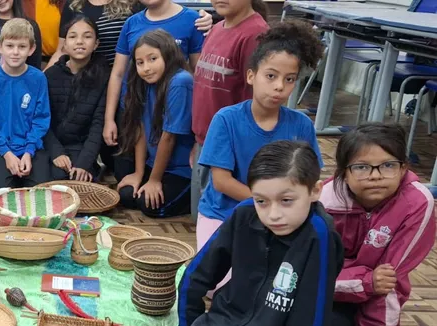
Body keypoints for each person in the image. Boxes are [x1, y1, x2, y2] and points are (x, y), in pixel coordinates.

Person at [138, 140, 344, 326]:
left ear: (314, 191)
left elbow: (308, 321)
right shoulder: (245, 213)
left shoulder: (319, 237)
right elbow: (198, 274)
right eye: (262, 200)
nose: (273, 214)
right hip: (221, 325)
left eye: (286, 201)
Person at [196, 20, 324, 254]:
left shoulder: (301, 125)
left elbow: (309, 176)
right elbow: (221, 182)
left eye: (289, 79)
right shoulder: (226, 120)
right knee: (220, 286)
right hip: (224, 214)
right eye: (271, 76)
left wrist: (281, 210)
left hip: (282, 216)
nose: (279, 87)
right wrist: (269, 203)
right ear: (251, 76)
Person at [321, 124, 436, 326]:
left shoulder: (416, 204)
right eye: (362, 167)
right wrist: (365, 280)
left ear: (404, 168)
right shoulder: (323, 201)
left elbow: (388, 281)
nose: (376, 176)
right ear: (343, 172)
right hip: (318, 289)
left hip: (364, 291)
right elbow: (306, 271)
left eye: (388, 165)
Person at [103, 0, 206, 148]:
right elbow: (118, 73)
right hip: (133, 113)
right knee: (127, 168)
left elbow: (198, 74)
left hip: (170, 115)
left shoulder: (193, 20)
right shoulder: (131, 23)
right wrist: (109, 119)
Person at [114, 30, 194, 218]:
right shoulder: (144, 82)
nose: (146, 68)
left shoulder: (180, 81)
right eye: (140, 63)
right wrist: (139, 173)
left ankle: (195, 195)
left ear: (167, 54)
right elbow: (140, 129)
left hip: (181, 169)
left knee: (149, 206)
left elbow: (169, 136)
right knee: (126, 195)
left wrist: (154, 180)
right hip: (156, 162)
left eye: (153, 59)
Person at [0, 18, 56, 189]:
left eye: (22, 47)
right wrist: (7, 153)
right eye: (10, 46)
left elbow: (41, 119)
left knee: (40, 191)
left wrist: (28, 152)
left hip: (32, 148)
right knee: (1, 192)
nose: (15, 52)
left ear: (31, 49)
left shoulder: (38, 78)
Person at [46, 0, 212, 70]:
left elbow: (163, 11)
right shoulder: (74, 5)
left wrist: (202, 17)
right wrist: (40, 79)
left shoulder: (133, 3)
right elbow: (62, 50)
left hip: (126, 80)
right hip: (84, 81)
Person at [191, 0, 268, 148]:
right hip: (207, 141)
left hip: (232, 144)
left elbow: (259, 101)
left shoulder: (255, 35)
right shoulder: (217, 29)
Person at [44, 15, 108, 182]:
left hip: (82, 148)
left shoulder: (103, 77)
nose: (80, 41)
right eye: (73, 36)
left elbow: (98, 124)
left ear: (96, 44)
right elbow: (42, 120)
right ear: (64, 44)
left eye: (87, 36)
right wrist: (56, 152)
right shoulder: (50, 75)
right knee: (53, 179)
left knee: (80, 181)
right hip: (53, 145)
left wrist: (84, 163)